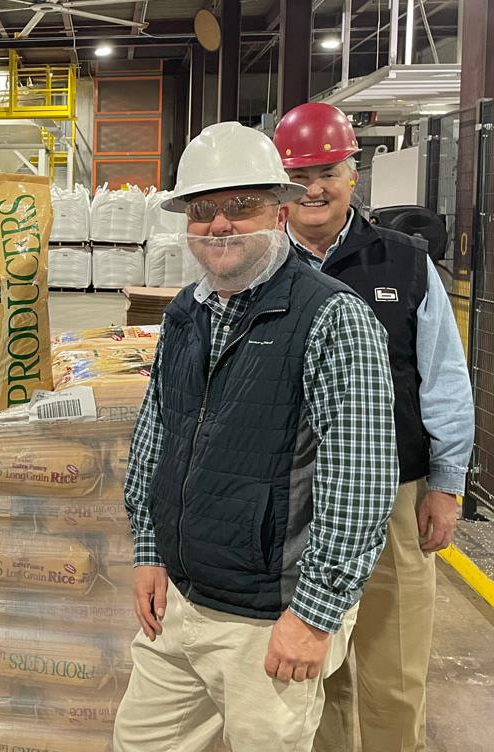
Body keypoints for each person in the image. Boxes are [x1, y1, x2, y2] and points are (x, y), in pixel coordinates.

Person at [112, 121, 399, 752]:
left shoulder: (332, 317)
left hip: (271, 617)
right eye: (204, 209)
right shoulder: (187, 311)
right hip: (180, 604)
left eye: (242, 207)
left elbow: (361, 482)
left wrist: (315, 614)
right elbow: (157, 434)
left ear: (280, 208)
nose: (220, 225)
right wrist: (149, 550)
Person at [274, 101, 475, 752]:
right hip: (293, 499)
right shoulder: (256, 267)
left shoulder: (403, 263)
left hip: (392, 498)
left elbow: (444, 376)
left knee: (392, 670)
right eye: (298, 173)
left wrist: (445, 484)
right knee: (316, 669)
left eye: (328, 170)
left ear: (352, 174)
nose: (314, 188)